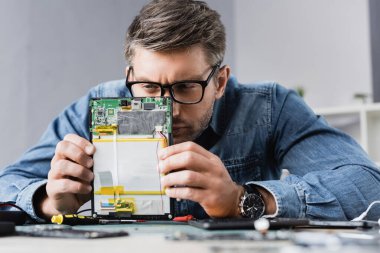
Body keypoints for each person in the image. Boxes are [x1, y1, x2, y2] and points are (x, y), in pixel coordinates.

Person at [1, 0, 379, 222]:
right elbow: (7, 183)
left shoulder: (269, 107)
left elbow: (367, 186)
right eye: (148, 87)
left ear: (220, 81)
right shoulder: (98, 104)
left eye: (185, 87)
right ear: (129, 76)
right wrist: (48, 200)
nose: (166, 109)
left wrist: (243, 199)